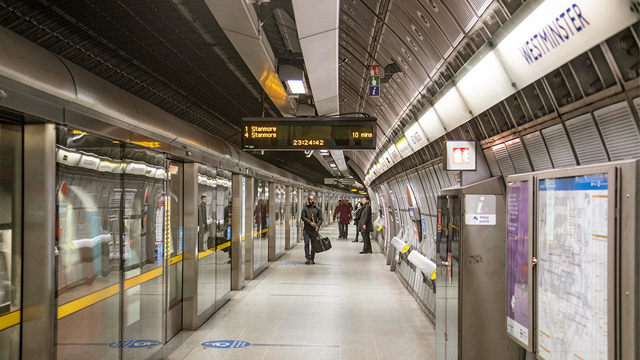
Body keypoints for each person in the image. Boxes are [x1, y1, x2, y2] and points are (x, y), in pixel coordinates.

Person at [301, 195, 322, 264]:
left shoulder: (318, 209)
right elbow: (303, 217)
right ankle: (307, 258)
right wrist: (310, 223)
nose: (310, 201)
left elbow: (320, 219)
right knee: (306, 243)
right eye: (309, 199)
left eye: (312, 199)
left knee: (313, 244)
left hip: (314, 230)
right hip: (306, 229)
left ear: (314, 199)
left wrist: (317, 226)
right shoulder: (305, 208)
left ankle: (312, 258)